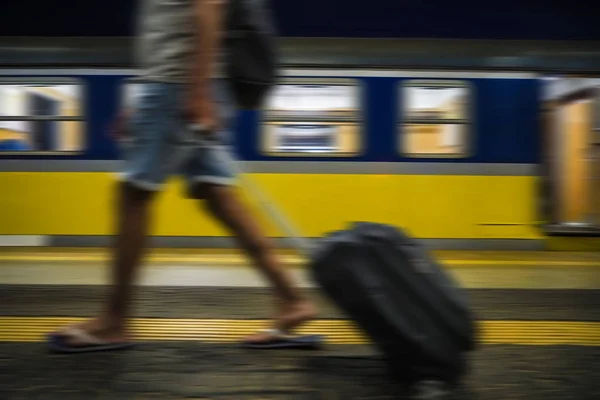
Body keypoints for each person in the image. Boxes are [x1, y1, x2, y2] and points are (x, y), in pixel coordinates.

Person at [47, 0, 317, 353]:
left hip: (176, 83)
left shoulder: (185, 83)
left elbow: (209, 5)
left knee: (133, 195)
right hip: (179, 83)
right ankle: (292, 299)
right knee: (217, 195)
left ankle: (114, 321)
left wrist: (196, 91)